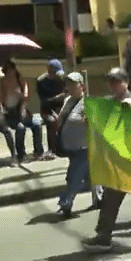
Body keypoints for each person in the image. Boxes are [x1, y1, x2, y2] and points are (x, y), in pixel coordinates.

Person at [82, 68, 131, 251]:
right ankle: (103, 237)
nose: (113, 85)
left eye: (116, 81)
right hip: (118, 160)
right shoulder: (108, 104)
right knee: (110, 199)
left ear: (126, 82)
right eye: (110, 82)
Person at [56, 72, 90, 218]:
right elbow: (61, 118)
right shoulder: (68, 100)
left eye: (73, 84)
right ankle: (101, 197)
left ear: (81, 86)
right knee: (74, 175)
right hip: (70, 146)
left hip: (83, 146)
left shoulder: (87, 103)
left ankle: (66, 201)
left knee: (77, 176)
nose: (69, 86)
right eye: (68, 83)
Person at [0, 60, 44, 163]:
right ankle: (21, 154)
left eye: (12, 71)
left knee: (37, 124)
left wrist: (21, 95)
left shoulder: (21, 81)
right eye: (8, 72)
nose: (10, 74)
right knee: (20, 128)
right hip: (11, 114)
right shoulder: (3, 83)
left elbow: (26, 96)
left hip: (22, 112)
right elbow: (2, 101)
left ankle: (38, 151)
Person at [36, 59, 66, 159]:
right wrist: (56, 99)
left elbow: (68, 94)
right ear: (49, 71)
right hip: (47, 110)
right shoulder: (41, 82)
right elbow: (44, 101)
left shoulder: (62, 79)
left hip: (62, 108)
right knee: (52, 121)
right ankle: (51, 149)